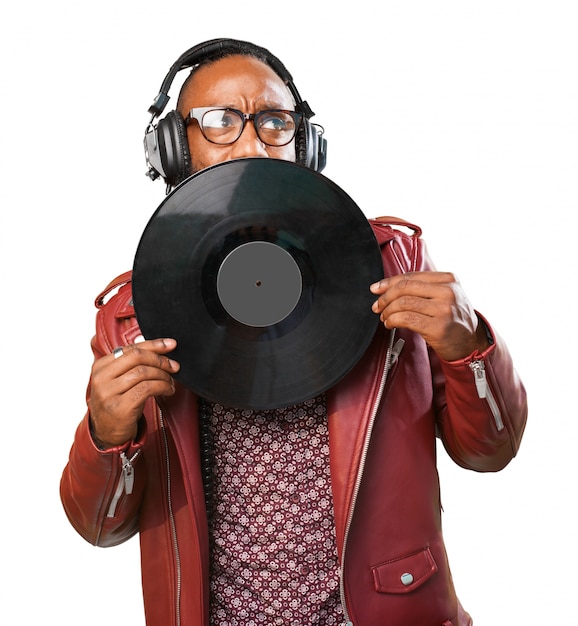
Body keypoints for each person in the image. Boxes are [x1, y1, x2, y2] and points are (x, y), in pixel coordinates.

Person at [60, 38, 528, 626]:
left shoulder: (393, 264)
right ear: (176, 150)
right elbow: (101, 526)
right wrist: (106, 433)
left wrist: (469, 348)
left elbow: (491, 451)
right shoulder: (131, 316)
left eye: (276, 121)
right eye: (219, 121)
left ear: (306, 144)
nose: (253, 141)